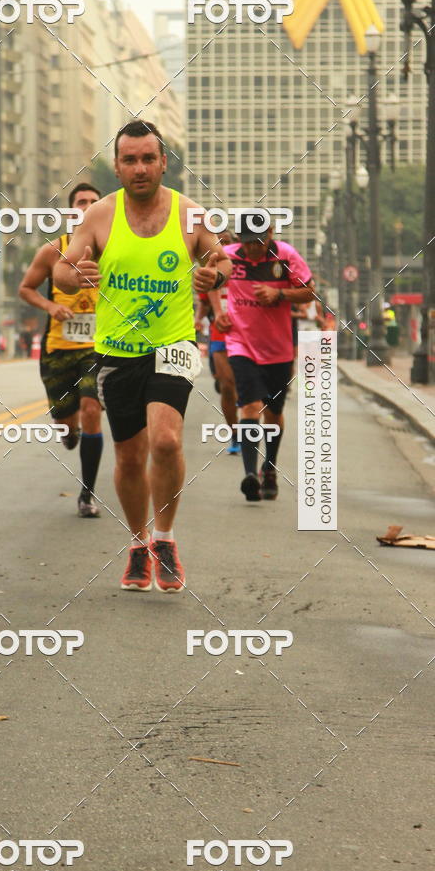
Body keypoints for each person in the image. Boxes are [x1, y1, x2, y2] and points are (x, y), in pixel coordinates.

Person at [54, 119, 232, 593]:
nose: (140, 168)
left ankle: (165, 538)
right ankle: (138, 544)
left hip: (173, 344)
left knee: (166, 441)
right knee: (130, 458)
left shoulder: (189, 214)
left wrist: (214, 275)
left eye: (148, 159)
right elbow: (61, 269)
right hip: (116, 352)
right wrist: (76, 274)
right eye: (130, 160)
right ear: (116, 167)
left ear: (163, 163)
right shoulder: (99, 216)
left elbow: (223, 259)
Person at [215, 214, 315, 502]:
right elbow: (209, 281)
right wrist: (219, 313)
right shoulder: (229, 255)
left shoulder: (286, 256)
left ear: (270, 233)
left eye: (258, 243)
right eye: (247, 243)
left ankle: (269, 467)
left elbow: (310, 292)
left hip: (277, 349)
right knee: (250, 406)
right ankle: (250, 474)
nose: (253, 249)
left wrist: (279, 294)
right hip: (240, 343)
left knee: (273, 412)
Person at [19, 183, 104, 518]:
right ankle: (69, 430)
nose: (87, 206)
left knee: (91, 409)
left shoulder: (112, 249)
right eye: (81, 202)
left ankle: (87, 494)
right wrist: (50, 306)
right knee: (67, 426)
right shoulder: (53, 251)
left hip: (96, 349)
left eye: (94, 202)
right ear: (70, 212)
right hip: (57, 348)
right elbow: (26, 288)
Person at [195, 229, 240, 454]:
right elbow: (204, 301)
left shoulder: (245, 266)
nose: (223, 247)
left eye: (227, 242)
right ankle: (235, 435)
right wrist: (197, 319)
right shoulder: (211, 269)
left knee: (244, 387)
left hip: (248, 334)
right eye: (219, 243)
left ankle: (250, 422)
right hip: (220, 331)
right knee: (227, 386)